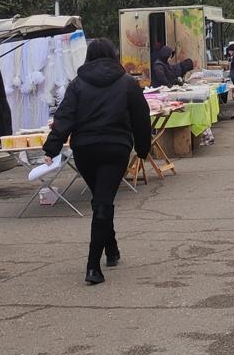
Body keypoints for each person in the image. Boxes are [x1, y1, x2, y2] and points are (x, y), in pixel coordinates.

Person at [42, 37, 155, 285]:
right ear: (113, 55)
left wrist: (52, 146)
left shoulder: (77, 84)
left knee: (101, 201)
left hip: (85, 151)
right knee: (103, 202)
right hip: (116, 149)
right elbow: (142, 119)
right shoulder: (128, 83)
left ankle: (111, 249)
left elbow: (64, 117)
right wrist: (143, 149)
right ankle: (93, 266)